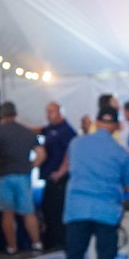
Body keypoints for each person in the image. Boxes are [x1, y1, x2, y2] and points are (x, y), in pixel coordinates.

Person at [59, 106, 129, 259]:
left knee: (74, 257)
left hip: (77, 208)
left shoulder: (75, 144)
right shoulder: (121, 152)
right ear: (116, 126)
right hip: (107, 210)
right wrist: (124, 197)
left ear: (95, 122)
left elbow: (70, 167)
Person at [0, 101, 45, 255]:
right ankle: (36, 244)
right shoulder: (27, 132)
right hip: (23, 175)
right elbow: (41, 153)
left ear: (1, 114)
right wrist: (33, 165)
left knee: (8, 213)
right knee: (28, 212)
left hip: (3, 174)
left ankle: (12, 247)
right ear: (15, 114)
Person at [38, 101, 77, 250]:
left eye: (51, 112)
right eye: (47, 111)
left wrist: (61, 171)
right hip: (49, 175)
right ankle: (51, 240)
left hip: (60, 178)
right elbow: (38, 131)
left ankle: (61, 241)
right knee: (47, 209)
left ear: (60, 113)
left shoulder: (67, 131)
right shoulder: (49, 129)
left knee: (58, 209)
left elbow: (70, 153)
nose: (48, 115)